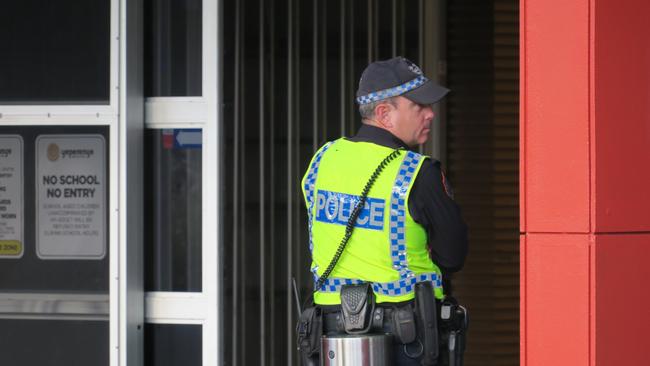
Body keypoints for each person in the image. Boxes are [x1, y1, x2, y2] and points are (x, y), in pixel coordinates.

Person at [299, 57, 468, 365]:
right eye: (419, 106)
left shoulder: (322, 160)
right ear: (383, 113)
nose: (431, 114)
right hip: (406, 339)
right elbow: (452, 256)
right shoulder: (418, 173)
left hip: (331, 336)